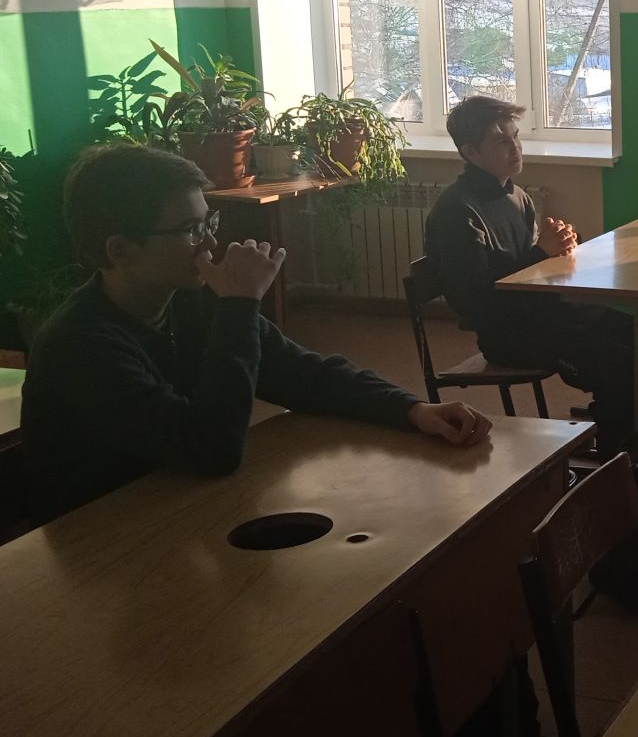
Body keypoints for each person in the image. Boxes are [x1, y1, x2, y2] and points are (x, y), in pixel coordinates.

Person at [22, 145, 491, 524]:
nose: (210, 243)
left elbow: (303, 375)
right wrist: (239, 306)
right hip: (100, 543)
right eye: (190, 230)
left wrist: (411, 409)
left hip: (179, 504)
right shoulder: (82, 345)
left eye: (209, 222)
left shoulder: (188, 299)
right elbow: (212, 448)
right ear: (121, 251)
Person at [423, 95, 638, 456]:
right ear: (471, 153)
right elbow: (475, 300)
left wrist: (561, 249)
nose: (515, 148)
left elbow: (533, 270)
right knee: (620, 366)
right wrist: (542, 252)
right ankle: (620, 465)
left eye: (515, 137)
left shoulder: (517, 197)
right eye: (501, 142)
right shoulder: (456, 212)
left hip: (550, 313)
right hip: (510, 334)